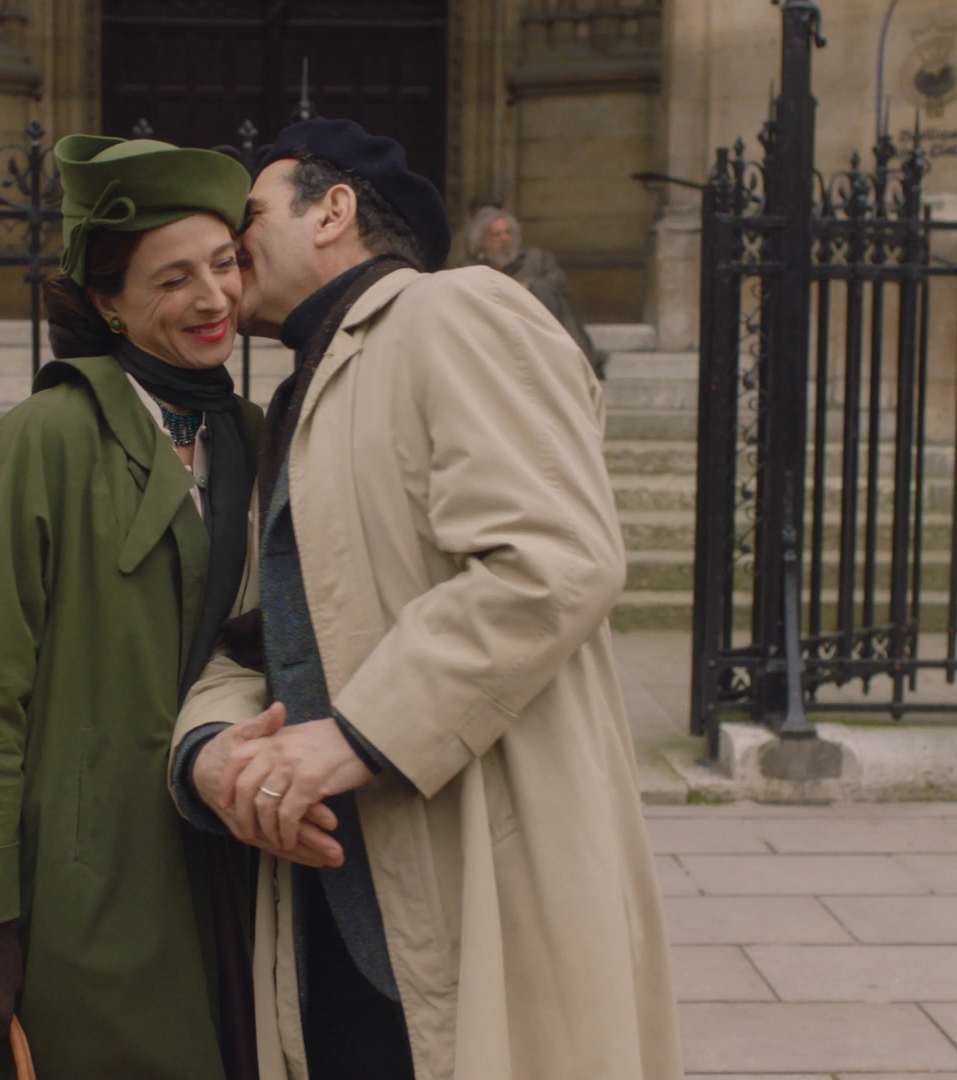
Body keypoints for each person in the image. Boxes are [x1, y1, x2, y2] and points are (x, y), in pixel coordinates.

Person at [171, 119, 683, 1079]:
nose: (223, 243)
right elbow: (255, 634)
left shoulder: (452, 313)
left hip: (471, 867)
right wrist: (210, 755)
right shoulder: (292, 398)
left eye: (247, 211)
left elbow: (554, 558)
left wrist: (356, 733)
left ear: (334, 209)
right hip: (336, 888)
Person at [0, 135, 303, 1080]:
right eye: (173, 278)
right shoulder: (41, 441)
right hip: (62, 897)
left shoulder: (252, 437)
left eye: (225, 265)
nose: (213, 298)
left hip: (215, 881)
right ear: (105, 301)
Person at [466, 205, 608, 377]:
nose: (504, 239)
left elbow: (560, 283)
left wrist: (529, 287)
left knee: (553, 296)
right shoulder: (472, 269)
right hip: (498, 333)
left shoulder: (537, 259)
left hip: (539, 327)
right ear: (483, 241)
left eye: (508, 232)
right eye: (496, 235)